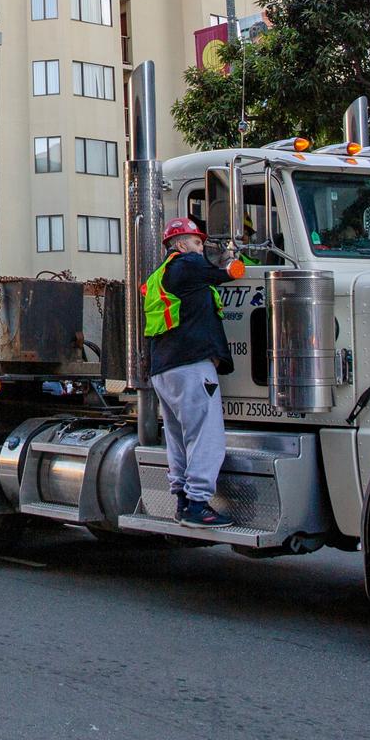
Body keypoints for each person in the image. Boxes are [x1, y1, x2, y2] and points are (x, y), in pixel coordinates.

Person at [143, 217, 248, 528]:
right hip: (191, 365)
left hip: (165, 367)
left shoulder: (163, 274)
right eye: (198, 242)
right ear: (180, 245)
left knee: (178, 438)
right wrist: (234, 259)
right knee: (206, 435)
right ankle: (198, 503)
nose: (202, 248)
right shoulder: (188, 264)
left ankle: (182, 500)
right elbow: (232, 272)